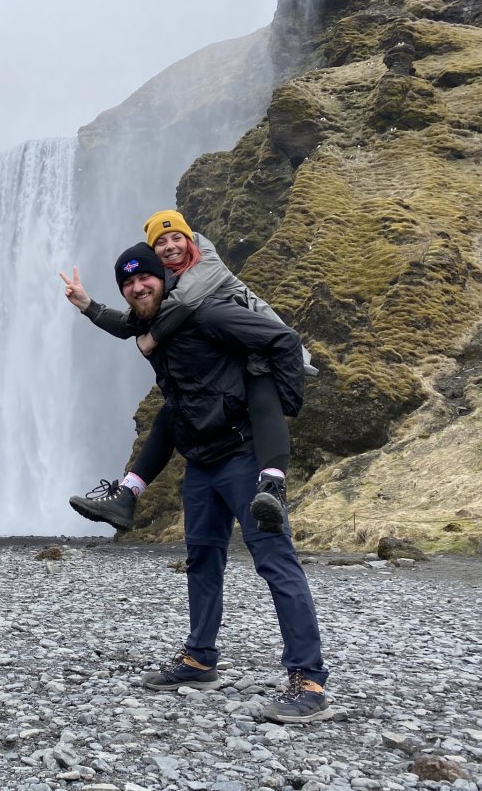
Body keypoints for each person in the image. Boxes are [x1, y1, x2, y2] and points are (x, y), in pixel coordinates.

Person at [62, 243, 330, 724]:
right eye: (127, 283)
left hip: (244, 457)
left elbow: (283, 339)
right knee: (202, 561)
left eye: (144, 278)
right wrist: (85, 305)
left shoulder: (208, 314)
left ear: (163, 278)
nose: (137, 287)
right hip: (201, 465)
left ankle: (308, 679)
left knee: (275, 561)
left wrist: (282, 404)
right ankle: (199, 658)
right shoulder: (150, 328)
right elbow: (156, 377)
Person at [135, 210, 316, 533]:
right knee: (170, 413)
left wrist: (151, 338)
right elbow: (137, 317)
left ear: (189, 238)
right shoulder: (170, 280)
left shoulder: (204, 264)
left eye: (176, 237)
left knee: (265, 405)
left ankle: (273, 487)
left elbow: (186, 303)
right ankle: (128, 493)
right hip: (239, 357)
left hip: (267, 351)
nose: (170, 245)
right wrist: (89, 306)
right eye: (160, 242)